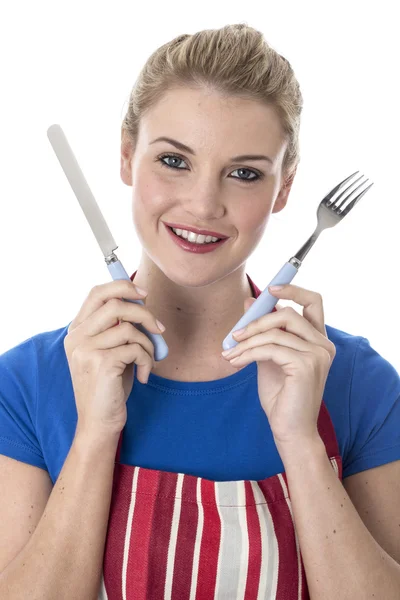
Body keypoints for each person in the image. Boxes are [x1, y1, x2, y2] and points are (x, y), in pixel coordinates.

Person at [0, 23, 399, 600]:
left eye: (244, 173)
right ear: (125, 156)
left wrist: (301, 444)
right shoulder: (26, 385)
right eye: (174, 161)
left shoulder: (356, 382)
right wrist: (96, 434)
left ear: (284, 189)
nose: (204, 204)